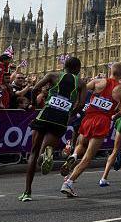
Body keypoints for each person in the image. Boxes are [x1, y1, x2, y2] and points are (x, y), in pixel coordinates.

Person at [20, 57, 84, 201]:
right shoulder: (80, 83)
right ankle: (47, 153)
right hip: (61, 119)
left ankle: (27, 192)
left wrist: (32, 104)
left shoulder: (52, 76)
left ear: (64, 67)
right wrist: (70, 114)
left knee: (33, 153)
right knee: (45, 148)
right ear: (78, 69)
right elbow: (80, 104)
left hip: (45, 114)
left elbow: (35, 88)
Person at [60, 63, 121, 197]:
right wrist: (112, 116)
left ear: (110, 71)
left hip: (88, 117)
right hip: (103, 120)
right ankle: (69, 183)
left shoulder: (97, 82)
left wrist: (78, 104)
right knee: (88, 157)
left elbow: (81, 89)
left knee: (80, 144)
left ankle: (73, 156)